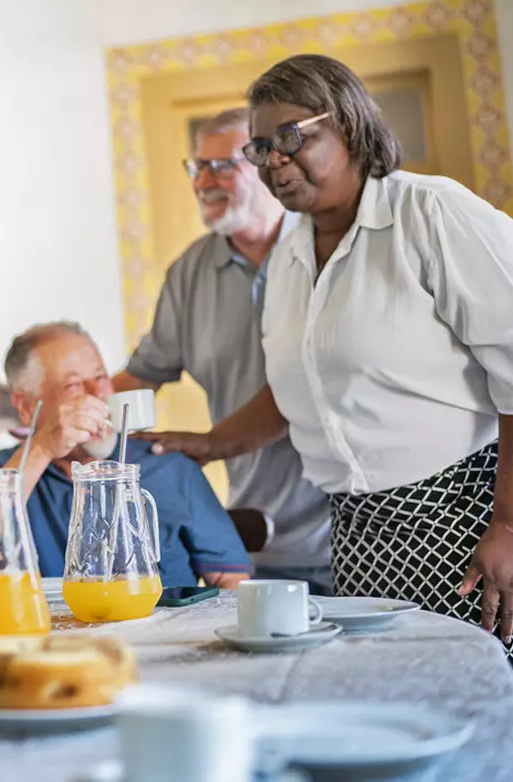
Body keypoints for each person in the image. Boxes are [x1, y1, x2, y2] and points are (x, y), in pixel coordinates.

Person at [158, 54, 513, 780]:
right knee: (403, 723)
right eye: (261, 147)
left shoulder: (431, 213)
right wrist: (212, 444)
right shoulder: (288, 259)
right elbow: (296, 386)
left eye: (290, 138)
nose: (274, 162)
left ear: (346, 122)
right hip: (364, 532)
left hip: (471, 516)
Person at [113, 106, 333, 594]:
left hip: (354, 534)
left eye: (221, 166)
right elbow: (142, 374)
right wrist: (76, 405)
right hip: (256, 546)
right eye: (197, 167)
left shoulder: (329, 247)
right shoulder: (188, 274)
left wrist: (209, 444)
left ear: (265, 163)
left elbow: (306, 384)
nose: (202, 182)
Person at [0, 322, 249, 588]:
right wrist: (41, 449)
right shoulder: (4, 472)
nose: (99, 394)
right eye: (73, 385)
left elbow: (231, 580)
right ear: (25, 406)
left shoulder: (168, 464)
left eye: (101, 377)